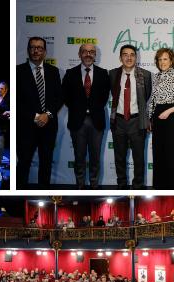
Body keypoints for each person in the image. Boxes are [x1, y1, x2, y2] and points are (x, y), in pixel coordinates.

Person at [62, 43, 111, 189]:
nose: (88, 54)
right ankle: (80, 185)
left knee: (95, 157)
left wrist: (92, 109)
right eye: (85, 52)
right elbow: (65, 96)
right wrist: (80, 109)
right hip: (77, 121)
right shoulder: (70, 73)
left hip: (97, 121)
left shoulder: (103, 73)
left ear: (95, 55)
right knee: (79, 157)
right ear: (79, 54)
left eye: (91, 52)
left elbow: (104, 96)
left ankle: (94, 186)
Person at [17, 36, 63, 188]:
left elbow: (59, 98)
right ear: (28, 50)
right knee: (23, 164)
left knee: (46, 164)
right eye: (33, 47)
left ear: (45, 51)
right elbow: (17, 101)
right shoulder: (18, 71)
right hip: (26, 127)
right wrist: (35, 116)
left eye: (40, 48)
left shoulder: (54, 71)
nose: (36, 51)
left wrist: (47, 115)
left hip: (49, 126)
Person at [108, 44, 153, 189]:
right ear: (120, 57)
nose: (129, 57)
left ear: (136, 57)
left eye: (132, 54)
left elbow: (146, 97)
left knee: (138, 157)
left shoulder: (145, 75)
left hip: (137, 121)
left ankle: (138, 186)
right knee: (119, 157)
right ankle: (121, 184)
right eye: (125, 54)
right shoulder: (113, 74)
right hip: (118, 120)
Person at [148, 48, 174, 189]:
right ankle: (158, 187)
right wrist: (150, 118)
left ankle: (171, 187)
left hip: (173, 117)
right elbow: (153, 100)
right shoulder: (156, 76)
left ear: (171, 60)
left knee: (172, 154)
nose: (162, 62)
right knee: (158, 153)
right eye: (160, 59)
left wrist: (169, 111)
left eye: (165, 59)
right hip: (158, 117)